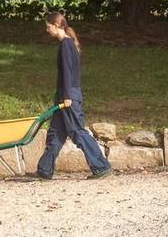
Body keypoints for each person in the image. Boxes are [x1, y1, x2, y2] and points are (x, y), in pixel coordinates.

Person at [37, 10, 112, 180]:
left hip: (68, 96)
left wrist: (68, 96)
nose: (47, 30)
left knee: (78, 132)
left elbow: (68, 72)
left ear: (56, 26)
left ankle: (101, 166)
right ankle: (44, 169)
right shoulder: (68, 44)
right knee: (56, 133)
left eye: (48, 27)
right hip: (64, 95)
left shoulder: (66, 44)